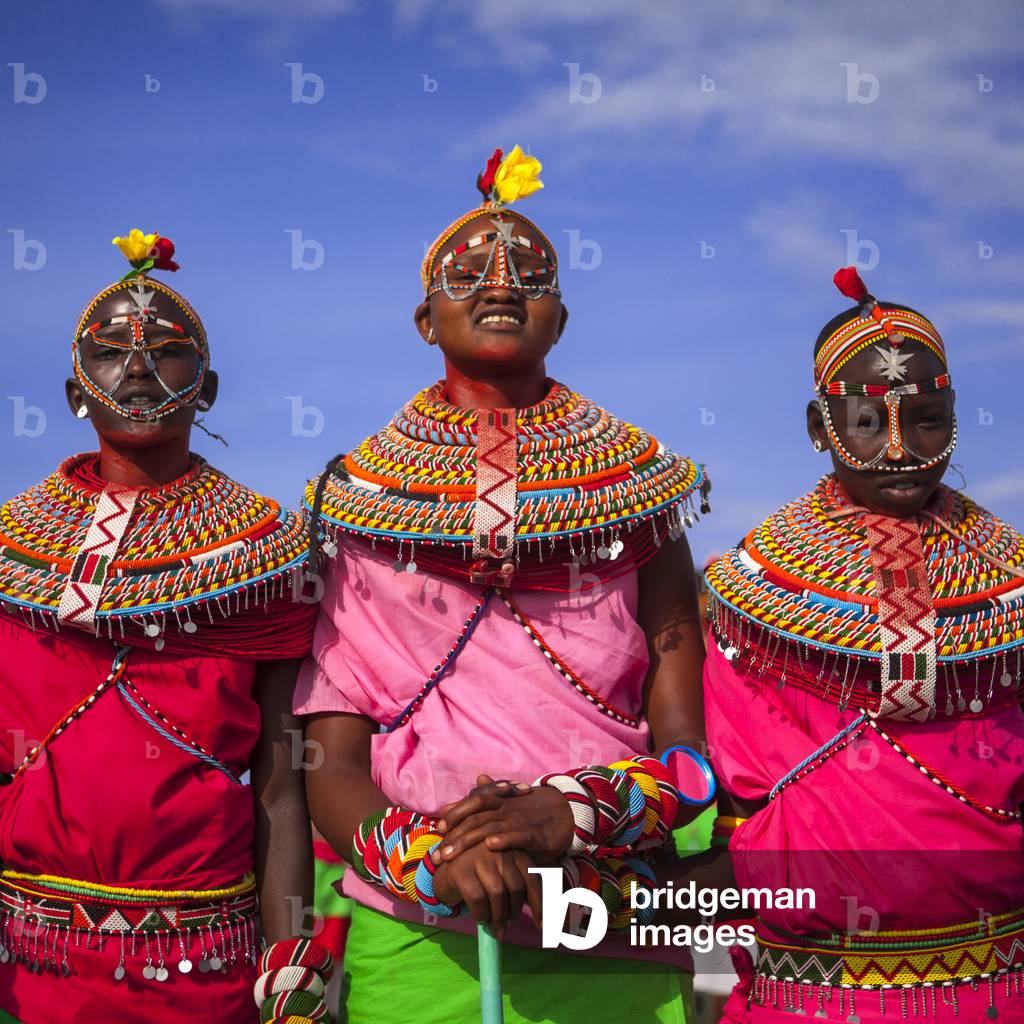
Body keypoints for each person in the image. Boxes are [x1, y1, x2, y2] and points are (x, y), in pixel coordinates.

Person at [296, 147, 714, 1023]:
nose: (499, 284)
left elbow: (691, 766)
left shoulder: (641, 506)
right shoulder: (359, 510)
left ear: (560, 317)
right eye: (467, 272)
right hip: (418, 936)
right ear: (424, 318)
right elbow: (329, 760)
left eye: (529, 274)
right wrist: (437, 854)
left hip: (610, 929)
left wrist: (571, 813)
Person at [0, 231, 331, 1023]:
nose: (139, 366)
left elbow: (283, 794)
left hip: (207, 971)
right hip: (24, 965)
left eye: (169, 351)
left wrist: (289, 971)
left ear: (207, 387)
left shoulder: (267, 561)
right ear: (76, 389)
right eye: (110, 350)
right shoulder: (10, 556)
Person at [701, 267, 1024, 1021]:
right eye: (868, 423)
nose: (902, 451)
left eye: (929, 419)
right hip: (807, 988)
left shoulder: (1012, 586)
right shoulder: (754, 593)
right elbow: (746, 785)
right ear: (821, 429)